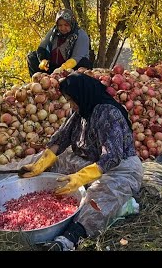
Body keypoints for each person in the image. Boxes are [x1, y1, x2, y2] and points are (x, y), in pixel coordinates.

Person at [19, 72, 143, 251]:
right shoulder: (81, 109)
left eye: (71, 100)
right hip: (89, 160)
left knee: (100, 194)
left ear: (82, 94)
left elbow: (113, 156)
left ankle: (70, 238)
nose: (70, 104)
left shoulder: (108, 113)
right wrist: (40, 165)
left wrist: (81, 177)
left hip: (120, 168)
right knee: (45, 162)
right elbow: (62, 137)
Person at [26, 9, 94, 77]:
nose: (63, 28)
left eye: (66, 25)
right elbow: (42, 47)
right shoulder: (54, 31)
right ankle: (40, 80)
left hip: (72, 67)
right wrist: (43, 60)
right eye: (60, 25)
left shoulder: (81, 35)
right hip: (53, 65)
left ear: (71, 23)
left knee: (83, 62)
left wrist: (62, 68)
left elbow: (77, 57)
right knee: (32, 56)